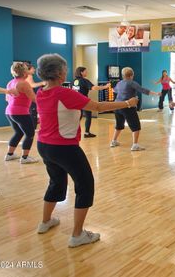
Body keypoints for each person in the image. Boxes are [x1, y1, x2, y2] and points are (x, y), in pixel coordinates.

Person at [34, 53, 139, 247]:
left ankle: (45, 222)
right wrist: (127, 103)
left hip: (44, 146)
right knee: (85, 185)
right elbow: (98, 106)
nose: (66, 70)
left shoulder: (42, 92)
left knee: (56, 182)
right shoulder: (64, 93)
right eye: (64, 68)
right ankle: (77, 235)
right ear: (59, 72)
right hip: (64, 148)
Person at [111, 67, 160, 151]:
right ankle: (135, 145)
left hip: (117, 106)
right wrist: (156, 93)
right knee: (136, 126)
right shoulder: (132, 83)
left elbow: (114, 91)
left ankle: (114, 141)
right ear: (132, 75)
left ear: (123, 75)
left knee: (119, 125)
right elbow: (143, 90)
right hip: (128, 107)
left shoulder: (119, 83)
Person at [5, 62, 38, 164]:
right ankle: (25, 157)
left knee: (18, 132)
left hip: (9, 111)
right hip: (20, 112)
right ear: (25, 72)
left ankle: (10, 155)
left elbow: (7, 98)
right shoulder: (24, 83)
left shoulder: (10, 82)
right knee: (30, 133)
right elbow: (34, 98)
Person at [72, 67, 110, 138]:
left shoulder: (73, 81)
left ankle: (72, 132)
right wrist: (105, 87)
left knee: (78, 117)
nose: (87, 72)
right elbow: (94, 88)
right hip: (83, 101)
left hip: (75, 101)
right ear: (81, 72)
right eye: (85, 71)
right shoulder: (84, 81)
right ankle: (86, 133)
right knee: (88, 116)